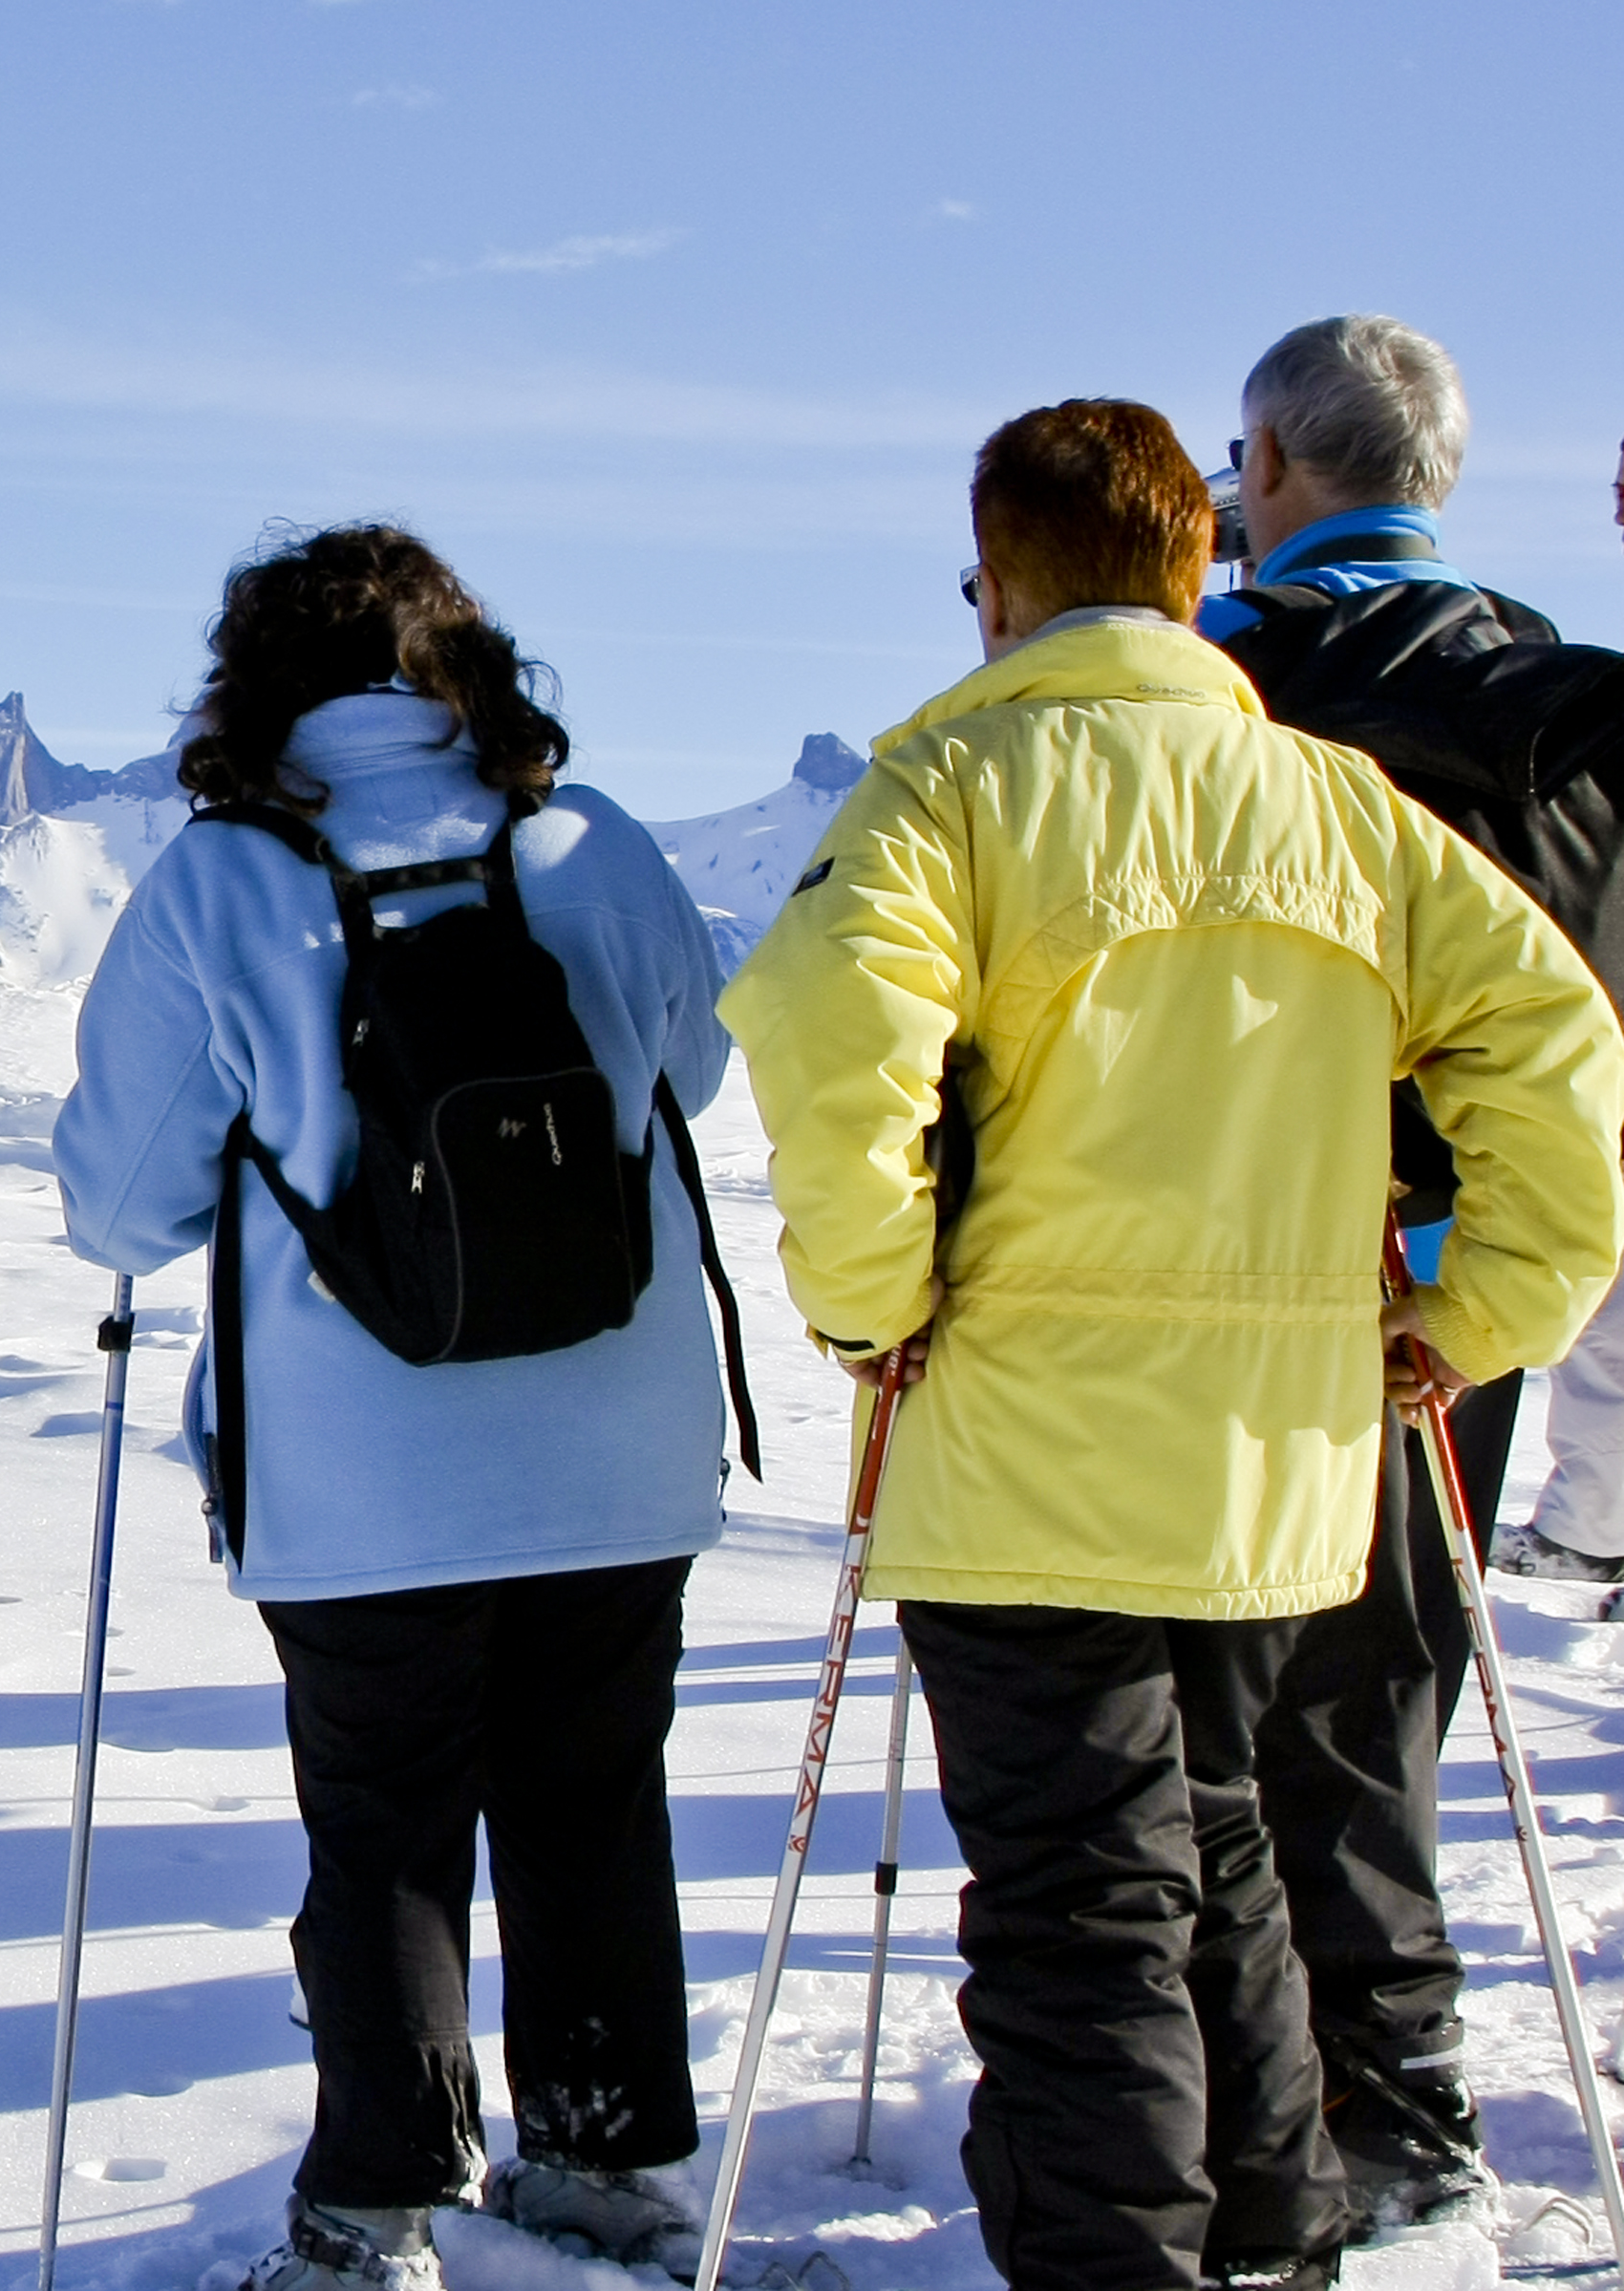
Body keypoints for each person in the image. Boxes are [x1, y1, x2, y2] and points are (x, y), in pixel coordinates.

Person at [726, 398, 1624, 2291]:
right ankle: (1277, 2242)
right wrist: (1476, 1313)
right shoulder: (1342, 807)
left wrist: (871, 1293)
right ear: (1198, 567)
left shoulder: (952, 793)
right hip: (1275, 1463)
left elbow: (823, 1019)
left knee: (1074, 1905)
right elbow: (1555, 1042)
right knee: (1224, 1860)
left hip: (1020, 1450)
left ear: (1003, 578)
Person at [57, 524, 733, 2291]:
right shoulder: (591, 839)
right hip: (617, 1432)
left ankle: (374, 2207)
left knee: (382, 1818)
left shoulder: (220, 881)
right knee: (594, 1794)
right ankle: (598, 2163)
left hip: (358, 1468)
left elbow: (119, 1203)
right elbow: (694, 1069)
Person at [1197, 312, 1624, 2224]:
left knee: (1217, 1686)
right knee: (1384, 1686)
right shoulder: (1566, 694)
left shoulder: (1216, 686)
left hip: (1229, 1261)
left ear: (1273, 470)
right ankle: (1382, 2090)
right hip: (1477, 1282)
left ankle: (1298, 2090)